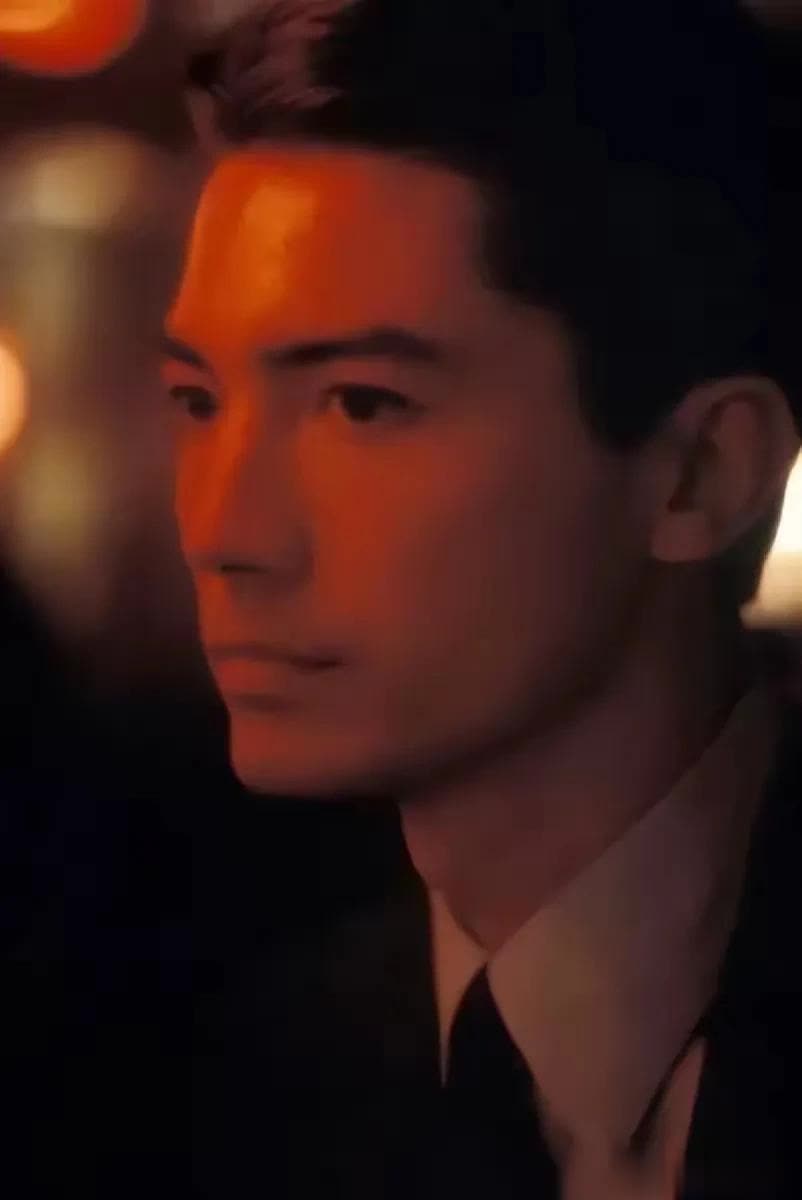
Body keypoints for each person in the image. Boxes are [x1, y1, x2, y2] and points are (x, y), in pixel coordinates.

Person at [170, 2, 802, 1196]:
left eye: (362, 405)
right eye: (197, 402)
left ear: (701, 475)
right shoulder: (208, 1070)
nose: (223, 534)